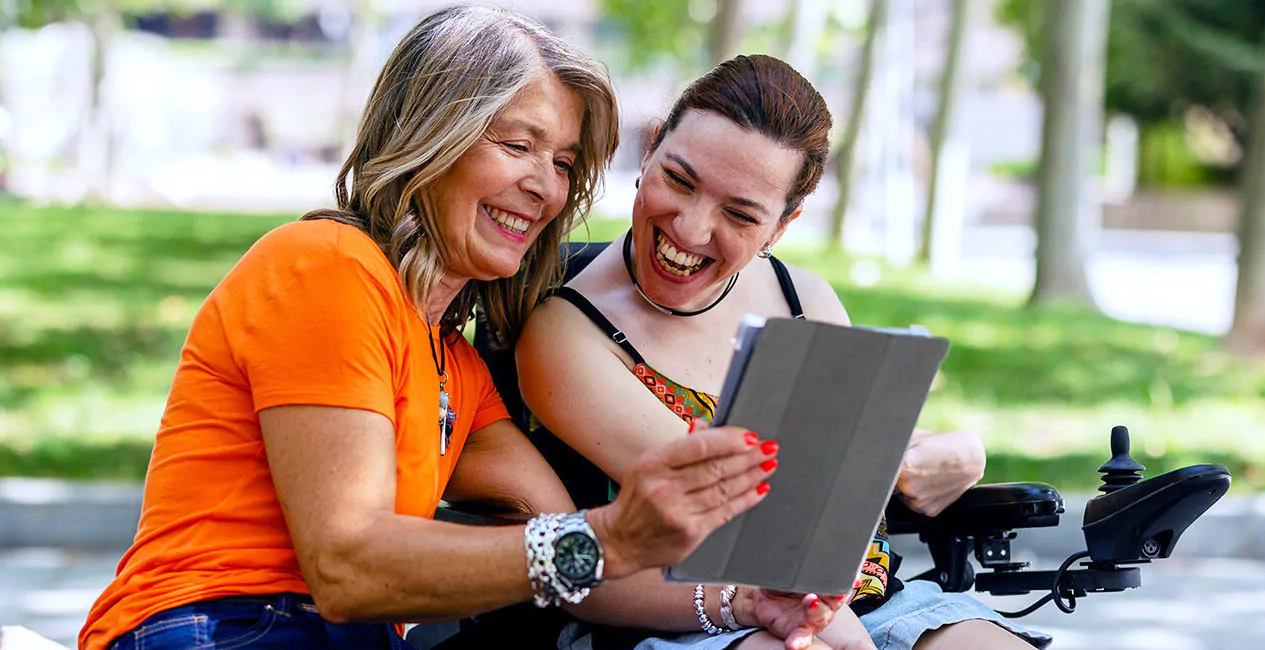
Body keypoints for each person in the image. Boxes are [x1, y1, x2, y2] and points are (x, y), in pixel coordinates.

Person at [78, 9, 818, 650]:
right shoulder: (326, 265)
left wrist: (743, 602)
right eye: (517, 144)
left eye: (562, 161)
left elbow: (574, 554)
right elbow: (349, 564)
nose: (546, 186)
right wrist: (610, 536)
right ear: (432, 133)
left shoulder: (453, 365)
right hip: (212, 622)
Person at [506, 55, 1055, 649]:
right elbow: (736, 513)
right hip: (700, 615)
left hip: (873, 599)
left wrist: (959, 452)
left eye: (740, 214)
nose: (690, 230)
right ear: (651, 150)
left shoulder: (803, 300)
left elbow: (876, 442)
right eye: (678, 180)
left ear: (782, 225)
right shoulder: (566, 330)